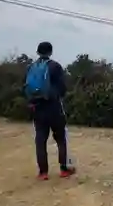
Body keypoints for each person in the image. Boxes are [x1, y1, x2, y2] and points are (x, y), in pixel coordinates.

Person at [24, 41, 75, 180]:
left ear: (38, 52)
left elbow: (27, 87)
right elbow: (62, 88)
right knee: (60, 138)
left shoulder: (31, 67)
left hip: (37, 108)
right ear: (50, 52)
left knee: (40, 140)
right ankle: (64, 169)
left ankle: (43, 173)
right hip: (53, 107)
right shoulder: (55, 66)